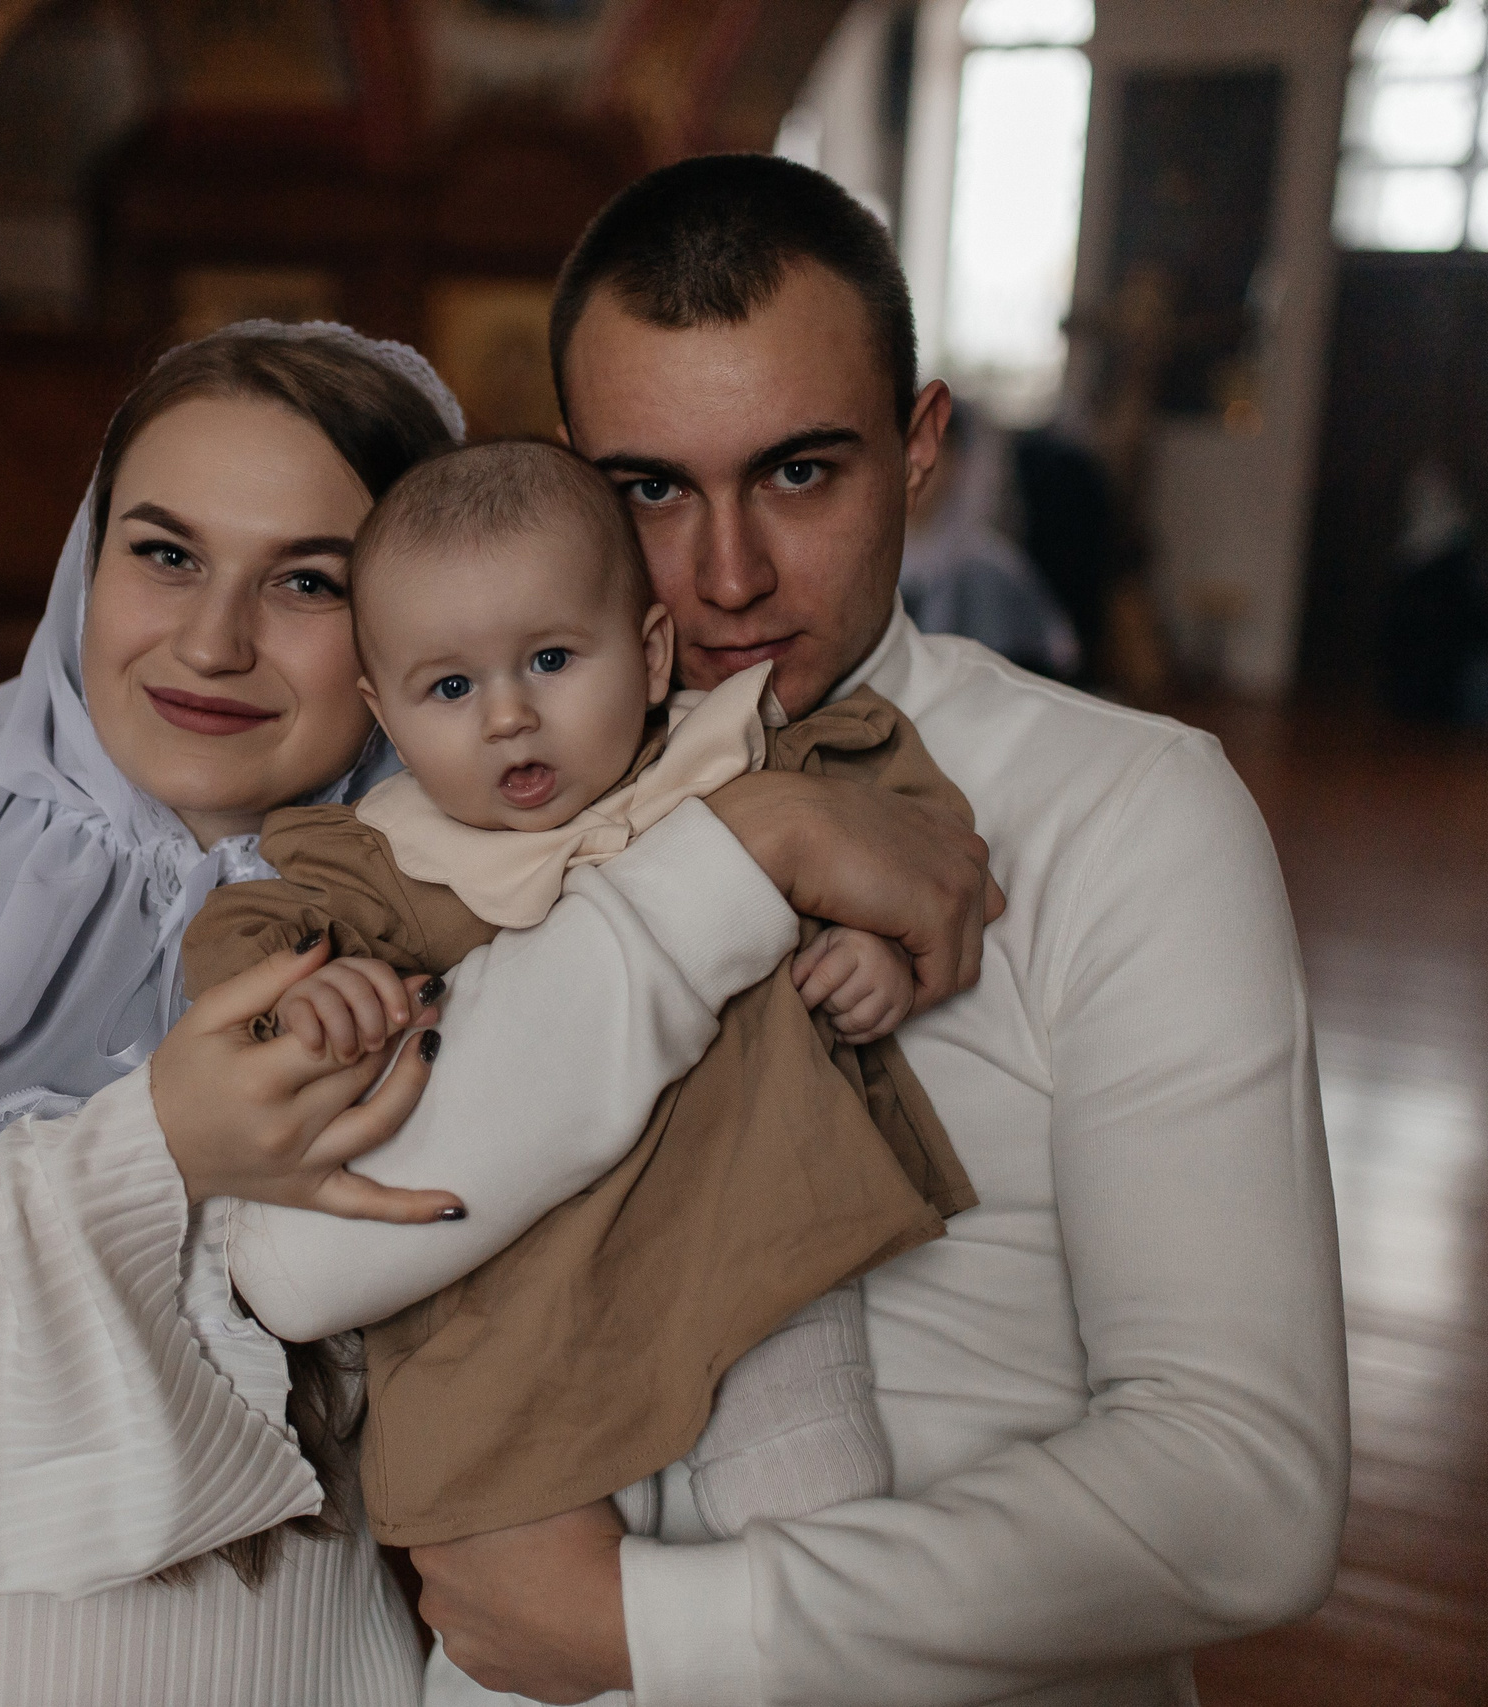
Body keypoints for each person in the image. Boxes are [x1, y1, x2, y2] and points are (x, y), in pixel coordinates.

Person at [0, 322, 998, 1706]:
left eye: (308, 582)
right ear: (88, 564)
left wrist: (753, 843)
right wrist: (155, 1148)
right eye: (165, 554)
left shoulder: (496, 882)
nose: (211, 641)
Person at [223, 155, 1346, 1707]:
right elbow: (293, 1262)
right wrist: (748, 846)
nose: (731, 574)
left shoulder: (1128, 810)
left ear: (922, 445)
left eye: (801, 473)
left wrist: (648, 1627)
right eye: (650, 489)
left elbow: (1247, 1490)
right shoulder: (446, 804)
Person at [182, 438, 972, 1553]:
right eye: (450, 687)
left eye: (551, 660)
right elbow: (243, 936)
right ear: (384, 714)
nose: (507, 715)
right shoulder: (382, 860)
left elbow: (905, 852)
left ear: (648, 655)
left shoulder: (732, 759)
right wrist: (312, 993)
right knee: (520, 1573)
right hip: (529, 1309)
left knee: (821, 1511)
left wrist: (868, 944)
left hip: (759, 1233)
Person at [899, 400, 1080, 678]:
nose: (915, 464)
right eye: (906, 446)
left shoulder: (989, 571)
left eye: (934, 449)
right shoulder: (860, 560)